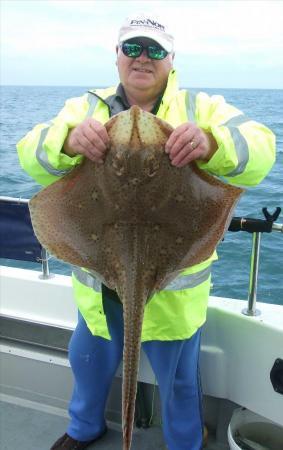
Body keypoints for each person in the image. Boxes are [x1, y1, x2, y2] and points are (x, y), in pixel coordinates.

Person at [17, 12, 275, 450]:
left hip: (174, 291)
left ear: (171, 60)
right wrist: (65, 140)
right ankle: (83, 429)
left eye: (155, 49)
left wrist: (212, 142)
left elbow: (263, 148)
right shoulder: (84, 108)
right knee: (89, 362)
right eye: (132, 47)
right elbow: (30, 155)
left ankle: (185, 443)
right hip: (98, 286)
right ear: (116, 57)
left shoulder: (202, 107)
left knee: (179, 384)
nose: (143, 57)